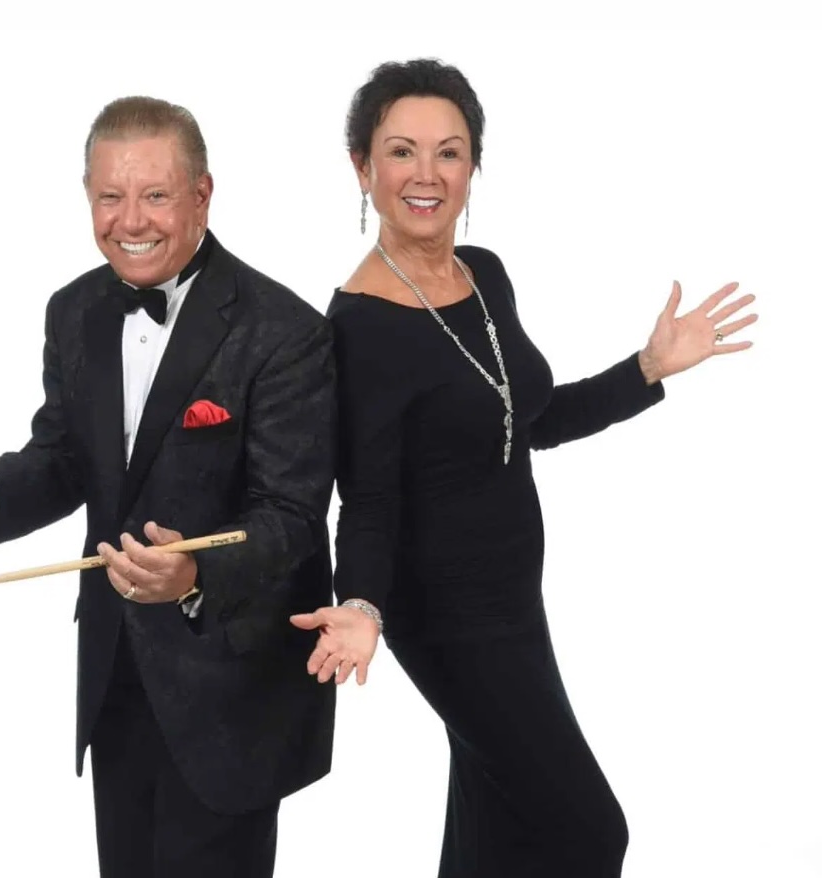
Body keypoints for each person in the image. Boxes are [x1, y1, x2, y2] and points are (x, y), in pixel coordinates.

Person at [290, 59, 757, 877]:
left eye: (450, 151)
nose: (426, 175)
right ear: (361, 167)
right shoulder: (357, 326)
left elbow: (522, 423)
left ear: (473, 164)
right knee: (587, 829)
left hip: (514, 599)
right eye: (401, 152)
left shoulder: (485, 274)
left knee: (494, 823)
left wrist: (644, 368)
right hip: (446, 618)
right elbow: (364, 499)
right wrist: (358, 602)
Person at [0, 95, 337, 878]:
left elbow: (292, 517)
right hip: (116, 670)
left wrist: (195, 572)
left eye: (154, 195)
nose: (128, 219)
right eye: (109, 196)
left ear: (201, 194)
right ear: (87, 196)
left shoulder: (285, 331)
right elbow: (66, 458)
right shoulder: (74, 310)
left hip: (229, 683)